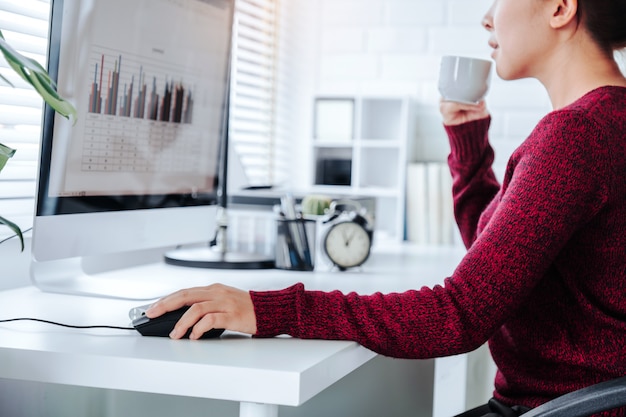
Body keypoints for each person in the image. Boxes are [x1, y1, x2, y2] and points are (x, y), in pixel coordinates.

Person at [146, 0, 626, 415]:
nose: (486, 18)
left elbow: (458, 315)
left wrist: (268, 309)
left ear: (561, 8)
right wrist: (468, 144)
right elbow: (494, 254)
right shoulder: (605, 122)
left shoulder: (575, 136)